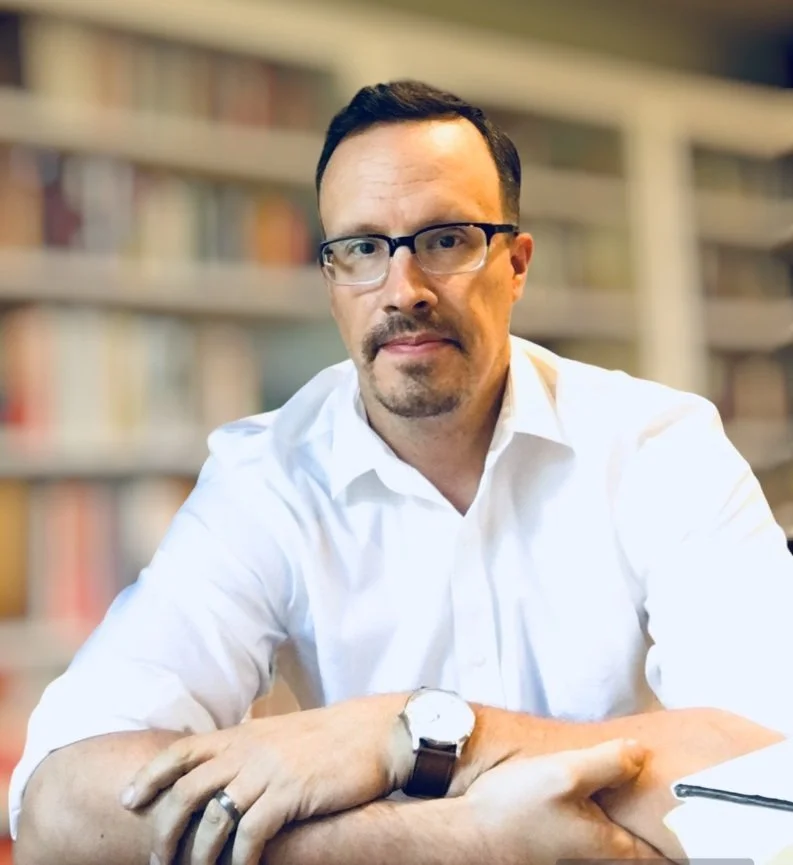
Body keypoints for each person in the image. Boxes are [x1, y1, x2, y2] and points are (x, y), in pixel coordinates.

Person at [11, 79, 793, 865]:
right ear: (330, 282)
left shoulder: (658, 445)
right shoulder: (265, 479)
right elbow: (57, 805)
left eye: (445, 239)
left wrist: (406, 731)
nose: (402, 290)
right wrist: (461, 840)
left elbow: (779, 778)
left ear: (514, 265)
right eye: (360, 248)